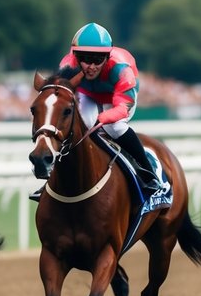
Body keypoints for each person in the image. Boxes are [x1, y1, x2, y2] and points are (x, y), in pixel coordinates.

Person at [48, 22, 162, 197]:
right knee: (79, 126)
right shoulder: (67, 66)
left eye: (98, 60)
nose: (91, 66)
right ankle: (55, 177)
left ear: (107, 58)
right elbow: (61, 96)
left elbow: (123, 107)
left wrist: (103, 117)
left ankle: (148, 172)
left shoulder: (121, 69)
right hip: (88, 94)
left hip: (118, 98)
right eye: (86, 59)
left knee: (113, 127)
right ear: (75, 56)